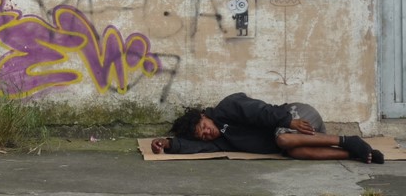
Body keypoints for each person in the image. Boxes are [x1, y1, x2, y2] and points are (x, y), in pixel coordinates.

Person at [151, 92, 384, 164]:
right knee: (296, 152)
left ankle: (349, 140)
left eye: (203, 126)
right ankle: (354, 153)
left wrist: (288, 121)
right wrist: (168, 144)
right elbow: (195, 148)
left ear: (204, 116)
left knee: (284, 140)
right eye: (202, 135)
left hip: (297, 116)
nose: (206, 133)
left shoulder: (226, 107)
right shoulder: (219, 142)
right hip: (299, 138)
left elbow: (259, 110)